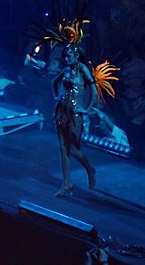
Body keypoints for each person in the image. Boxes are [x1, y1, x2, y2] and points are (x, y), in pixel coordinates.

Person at [53, 45, 98, 196]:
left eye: (69, 56)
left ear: (76, 56)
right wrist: (56, 97)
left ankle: (89, 169)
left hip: (75, 113)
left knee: (72, 148)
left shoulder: (83, 69)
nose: (66, 59)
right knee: (62, 147)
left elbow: (94, 90)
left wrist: (87, 109)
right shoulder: (66, 70)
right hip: (61, 111)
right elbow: (54, 82)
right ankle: (66, 183)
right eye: (65, 56)